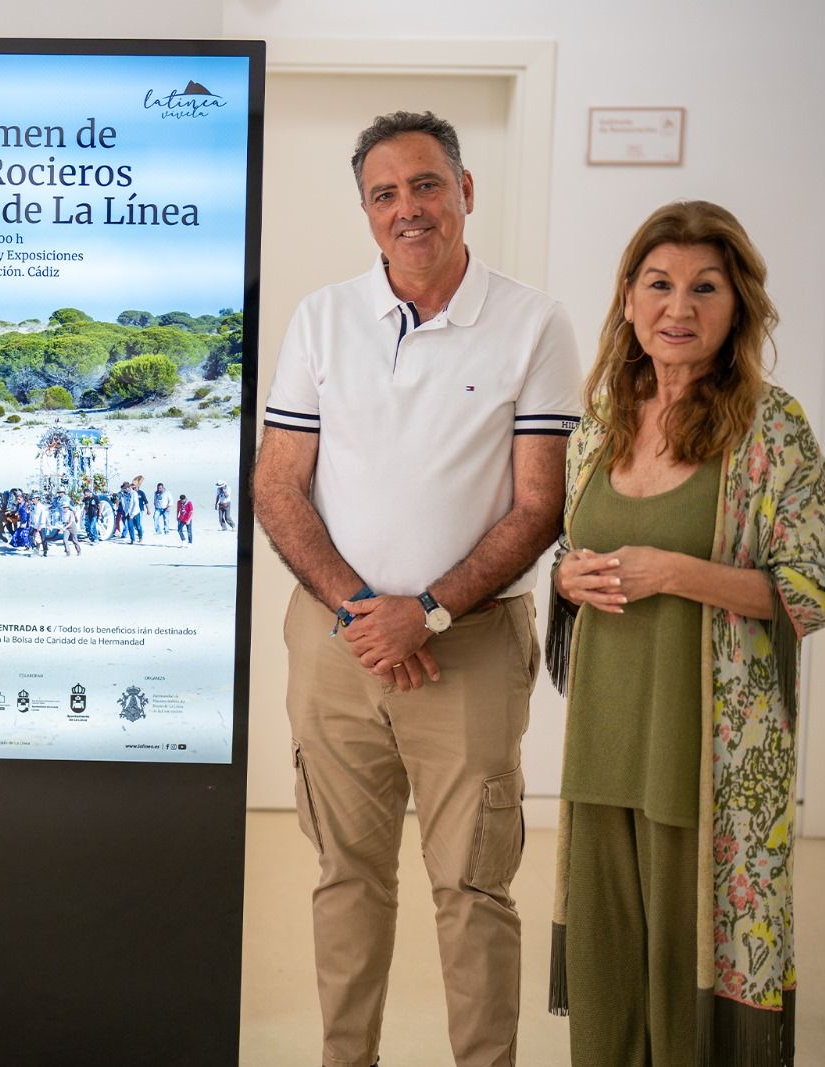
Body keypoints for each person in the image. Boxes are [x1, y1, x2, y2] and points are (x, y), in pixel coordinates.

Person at [253, 110, 580, 1067]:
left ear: (466, 191)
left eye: (428, 185)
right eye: (385, 194)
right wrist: (364, 610)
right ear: (365, 211)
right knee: (345, 878)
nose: (410, 209)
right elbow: (278, 484)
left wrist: (426, 610)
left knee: (472, 887)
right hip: (336, 644)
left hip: (468, 649)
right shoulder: (321, 318)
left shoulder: (534, 325)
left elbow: (537, 505)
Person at [547, 201, 825, 1066]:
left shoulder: (771, 428)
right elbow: (572, 543)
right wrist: (565, 574)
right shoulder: (601, 420)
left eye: (706, 287)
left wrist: (675, 572)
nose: (680, 307)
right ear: (628, 298)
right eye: (659, 284)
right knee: (606, 945)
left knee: (687, 952)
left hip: (710, 749)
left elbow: (810, 588)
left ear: (737, 305)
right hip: (604, 733)